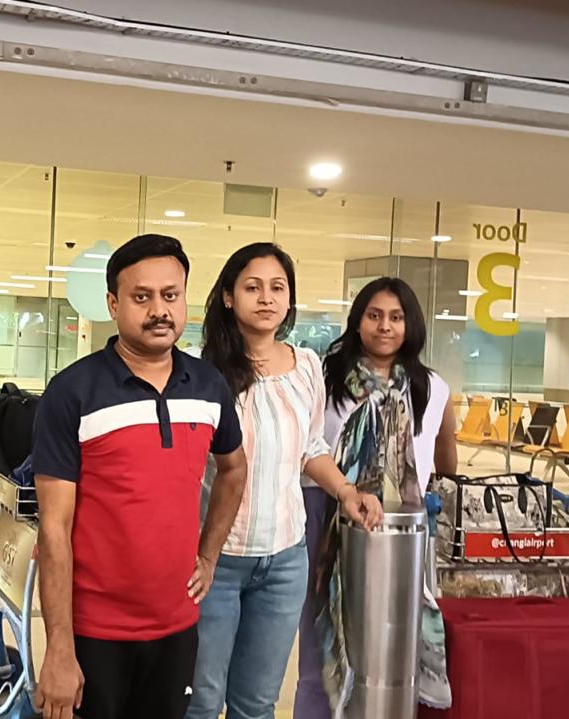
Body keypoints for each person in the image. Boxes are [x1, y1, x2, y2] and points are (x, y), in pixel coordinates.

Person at [32, 234, 249, 719]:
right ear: (113, 304)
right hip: (94, 631)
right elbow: (54, 528)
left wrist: (208, 555)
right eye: (141, 297)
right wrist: (59, 647)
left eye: (170, 295)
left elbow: (234, 468)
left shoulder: (208, 385)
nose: (159, 310)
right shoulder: (73, 392)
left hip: (176, 626)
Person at [188, 243, 382, 719]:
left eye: (277, 288)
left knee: (257, 704)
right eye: (252, 287)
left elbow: (311, 447)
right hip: (213, 561)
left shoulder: (307, 365)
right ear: (228, 296)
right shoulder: (199, 370)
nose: (266, 298)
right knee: (201, 700)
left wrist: (346, 491)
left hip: (284, 561)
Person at [294, 276, 458, 718]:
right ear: (358, 321)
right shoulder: (325, 377)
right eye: (374, 315)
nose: (385, 326)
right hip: (326, 517)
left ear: (411, 324)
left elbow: (444, 453)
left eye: (396, 317)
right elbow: (307, 447)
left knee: (391, 644)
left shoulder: (430, 387)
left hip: (400, 530)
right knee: (323, 638)